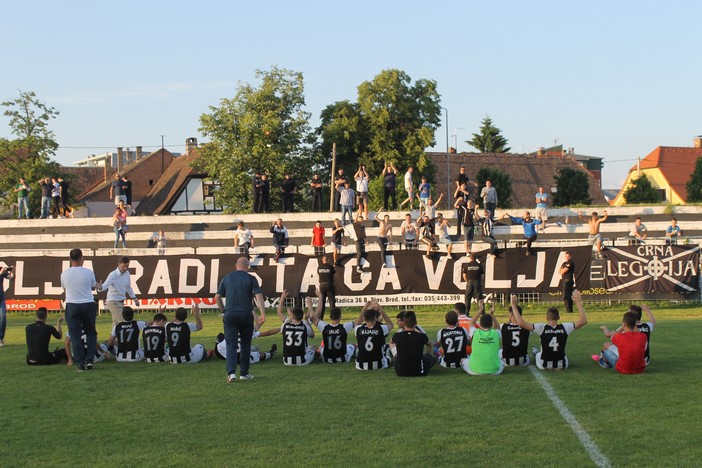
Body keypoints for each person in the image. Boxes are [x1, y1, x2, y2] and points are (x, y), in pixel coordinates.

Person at [215, 256, 267, 382]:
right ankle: (244, 373)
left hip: (230, 314)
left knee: (231, 344)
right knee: (245, 344)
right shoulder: (251, 278)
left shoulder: (227, 277)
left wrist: (224, 310)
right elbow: (258, 296)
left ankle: (231, 373)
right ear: (248, 266)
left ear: (235, 265)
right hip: (245, 314)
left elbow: (217, 297)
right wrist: (262, 313)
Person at [512, 291, 588, 370]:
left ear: (546, 318)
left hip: (544, 365)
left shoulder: (542, 327)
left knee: (538, 354)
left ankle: (536, 352)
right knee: (564, 355)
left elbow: (521, 323)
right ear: (558, 317)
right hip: (561, 365)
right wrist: (578, 302)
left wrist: (514, 305)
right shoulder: (565, 327)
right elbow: (583, 321)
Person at [61, 248, 101, 371]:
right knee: (90, 333)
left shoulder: (64, 274)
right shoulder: (88, 272)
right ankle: (90, 360)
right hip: (88, 304)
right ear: (81, 258)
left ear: (70, 259)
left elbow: (64, 288)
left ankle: (79, 363)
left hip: (72, 305)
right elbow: (93, 285)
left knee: (75, 335)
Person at [276, 290, 316, 366]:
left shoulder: (285, 325)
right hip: (302, 361)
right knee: (313, 347)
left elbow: (279, 312)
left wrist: (282, 298)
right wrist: (310, 307)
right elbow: (313, 335)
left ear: (292, 316)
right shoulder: (305, 326)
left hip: (286, 361)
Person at [461, 306, 503, 376]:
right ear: (491, 324)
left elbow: (471, 323)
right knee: (502, 360)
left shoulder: (475, 332)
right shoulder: (496, 333)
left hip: (475, 370)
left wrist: (479, 311)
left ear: (480, 324)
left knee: (462, 360)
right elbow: (497, 327)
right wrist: (492, 315)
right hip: (495, 371)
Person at [390, 310, 435, 377]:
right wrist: (429, 355)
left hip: (400, 372)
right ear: (416, 323)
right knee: (430, 358)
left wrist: (395, 353)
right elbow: (429, 344)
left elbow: (391, 342)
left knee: (398, 357)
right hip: (418, 372)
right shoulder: (421, 336)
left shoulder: (397, 335)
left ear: (404, 323)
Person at [99, 256, 139, 325]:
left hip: (121, 302)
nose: (125, 268)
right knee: (124, 323)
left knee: (116, 326)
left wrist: (135, 298)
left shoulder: (127, 274)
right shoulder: (113, 275)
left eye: (127, 266)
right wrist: (100, 287)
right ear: (118, 264)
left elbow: (128, 287)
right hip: (113, 302)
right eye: (123, 266)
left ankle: (114, 336)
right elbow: (104, 286)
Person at [354, 300, 394, 371]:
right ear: (375, 318)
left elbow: (356, 323)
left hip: (361, 366)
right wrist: (380, 310)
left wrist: (364, 309)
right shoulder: (381, 328)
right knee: (388, 357)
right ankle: (387, 354)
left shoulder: (358, 329)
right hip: (379, 365)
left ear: (365, 319)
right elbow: (391, 325)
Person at [502, 296, 531, 366]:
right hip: (522, 361)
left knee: (500, 351)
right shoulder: (526, 327)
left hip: (507, 362)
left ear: (511, 314)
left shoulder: (504, 327)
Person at [317, 255, 336, 319]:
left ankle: (320, 317)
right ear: (328, 260)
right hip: (329, 284)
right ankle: (333, 316)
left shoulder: (319, 267)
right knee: (331, 301)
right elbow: (334, 273)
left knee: (322, 302)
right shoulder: (330, 267)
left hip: (322, 285)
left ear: (322, 260)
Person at [0, 264, 14, 347]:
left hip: (1, 299)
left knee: (3, 317)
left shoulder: (1, 269)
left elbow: (11, 278)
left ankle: (0, 338)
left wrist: (13, 272)